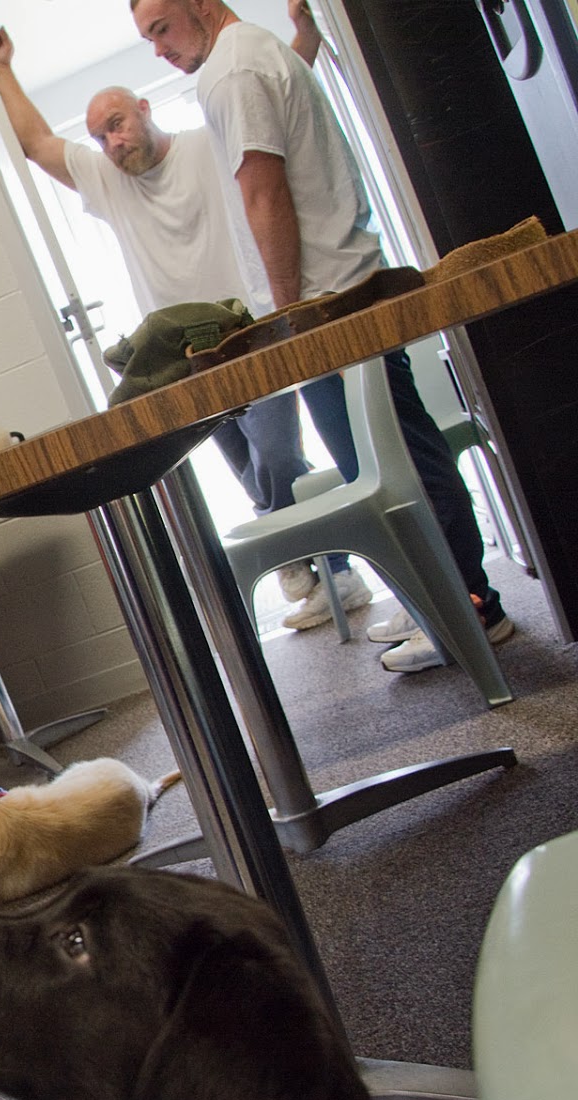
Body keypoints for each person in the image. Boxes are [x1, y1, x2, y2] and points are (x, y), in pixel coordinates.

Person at [130, 0, 514, 672]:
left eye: (162, 28)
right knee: (393, 457)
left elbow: (266, 193)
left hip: (324, 307)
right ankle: (446, 598)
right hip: (336, 295)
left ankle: (471, 606)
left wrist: (289, 324)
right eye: (148, 38)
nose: (158, 49)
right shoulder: (254, 52)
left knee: (397, 466)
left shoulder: (230, 71)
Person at [0, 10, 370, 629]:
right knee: (246, 467)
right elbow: (36, 144)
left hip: (245, 331)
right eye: (99, 137)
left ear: (143, 109)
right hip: (180, 358)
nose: (111, 143)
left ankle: (329, 569)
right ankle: (324, 573)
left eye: (116, 124)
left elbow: (274, 99)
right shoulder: (107, 181)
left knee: (277, 455)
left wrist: (309, 35)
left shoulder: (205, 143)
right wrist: (1, 69)